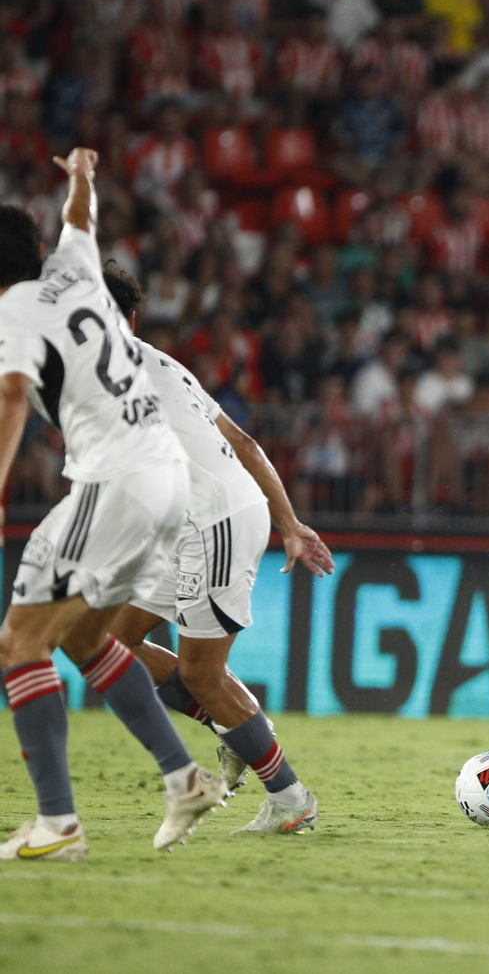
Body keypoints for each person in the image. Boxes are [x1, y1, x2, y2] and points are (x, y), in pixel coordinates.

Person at [0, 148, 225, 860]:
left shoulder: (13, 308)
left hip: (116, 480)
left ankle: (59, 824)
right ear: (36, 250)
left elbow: (10, 395)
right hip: (165, 478)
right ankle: (184, 776)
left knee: (18, 642)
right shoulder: (73, 269)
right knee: (84, 638)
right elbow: (80, 220)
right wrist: (81, 179)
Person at [100, 266, 335, 833]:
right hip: (187, 521)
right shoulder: (168, 367)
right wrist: (289, 522)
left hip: (214, 519)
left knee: (201, 673)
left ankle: (290, 797)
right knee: (108, 640)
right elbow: (245, 442)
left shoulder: (106, 375)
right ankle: (238, 727)